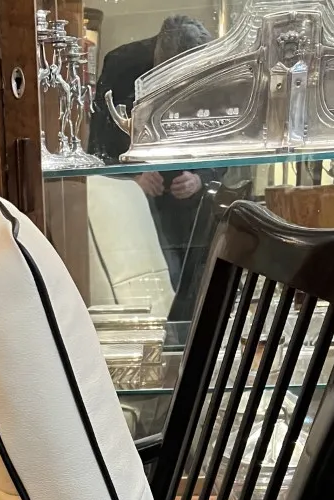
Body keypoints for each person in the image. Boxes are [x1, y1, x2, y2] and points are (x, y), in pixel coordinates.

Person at [88, 15, 216, 318]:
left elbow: (224, 133)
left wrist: (201, 177)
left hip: (194, 206)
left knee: (200, 293)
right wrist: (133, 179)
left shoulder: (212, 66)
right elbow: (98, 151)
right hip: (137, 205)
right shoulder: (120, 66)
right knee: (156, 297)